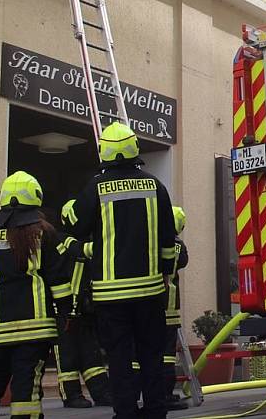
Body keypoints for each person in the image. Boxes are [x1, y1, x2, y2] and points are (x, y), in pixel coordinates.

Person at [66, 122, 177, 419]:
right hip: (151, 292)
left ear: (104, 151)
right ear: (134, 149)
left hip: (110, 296)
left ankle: (125, 412)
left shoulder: (96, 187)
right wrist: (166, 274)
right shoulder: (155, 186)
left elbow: (75, 226)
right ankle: (155, 411)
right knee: (151, 355)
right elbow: (169, 241)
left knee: (119, 358)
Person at [0, 172, 72, 418]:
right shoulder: (44, 232)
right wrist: (65, 311)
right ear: (35, 197)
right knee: (26, 387)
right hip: (35, 329)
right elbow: (58, 278)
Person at [53, 226, 112, 409]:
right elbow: (79, 250)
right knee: (67, 355)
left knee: (91, 354)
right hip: (63, 310)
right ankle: (71, 395)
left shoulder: (86, 240)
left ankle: (102, 393)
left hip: (83, 308)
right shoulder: (61, 240)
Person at [161, 206, 190, 410]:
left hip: (151, 304)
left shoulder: (153, 241)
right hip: (169, 308)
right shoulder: (179, 246)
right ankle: (166, 394)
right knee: (167, 354)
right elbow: (184, 262)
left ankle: (139, 390)